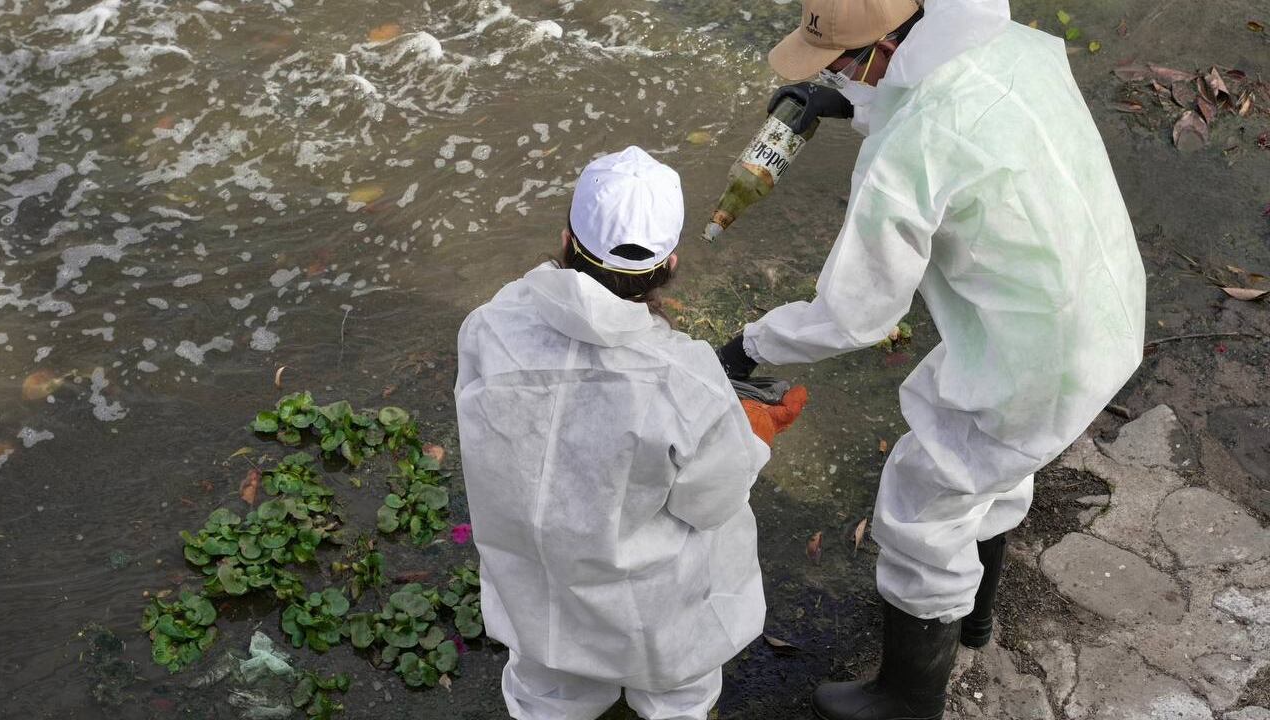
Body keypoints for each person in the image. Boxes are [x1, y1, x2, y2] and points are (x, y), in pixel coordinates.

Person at [715, 0, 1148, 718]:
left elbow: (856, 312)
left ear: (887, 44)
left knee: (925, 501)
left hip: (1035, 361)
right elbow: (947, 106)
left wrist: (749, 343)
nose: (836, 70)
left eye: (843, 62)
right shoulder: (1020, 46)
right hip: (1103, 307)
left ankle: (908, 699)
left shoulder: (907, 151)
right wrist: (841, 98)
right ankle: (974, 616)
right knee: (995, 472)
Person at [455, 146, 806, 720]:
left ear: (567, 240)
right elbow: (712, 502)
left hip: (538, 603)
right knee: (677, 700)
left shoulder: (489, 328)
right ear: (669, 266)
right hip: (654, 618)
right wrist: (754, 429)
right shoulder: (684, 377)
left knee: (544, 700)